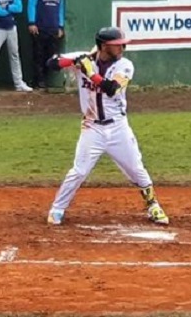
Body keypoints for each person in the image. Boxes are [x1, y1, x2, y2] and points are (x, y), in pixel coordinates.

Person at [45, 27, 169, 226]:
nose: (122, 47)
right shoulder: (85, 58)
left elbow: (111, 89)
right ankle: (57, 209)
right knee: (79, 171)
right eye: (117, 45)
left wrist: (90, 73)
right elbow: (51, 63)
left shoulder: (125, 65)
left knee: (136, 169)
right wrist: (77, 61)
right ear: (104, 46)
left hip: (118, 127)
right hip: (92, 127)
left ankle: (153, 205)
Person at [27, 0, 66, 89]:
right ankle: (38, 80)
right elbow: (31, 4)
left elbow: (61, 8)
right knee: (38, 55)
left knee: (50, 56)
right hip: (39, 27)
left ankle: (44, 79)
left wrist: (60, 26)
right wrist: (31, 22)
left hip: (53, 28)